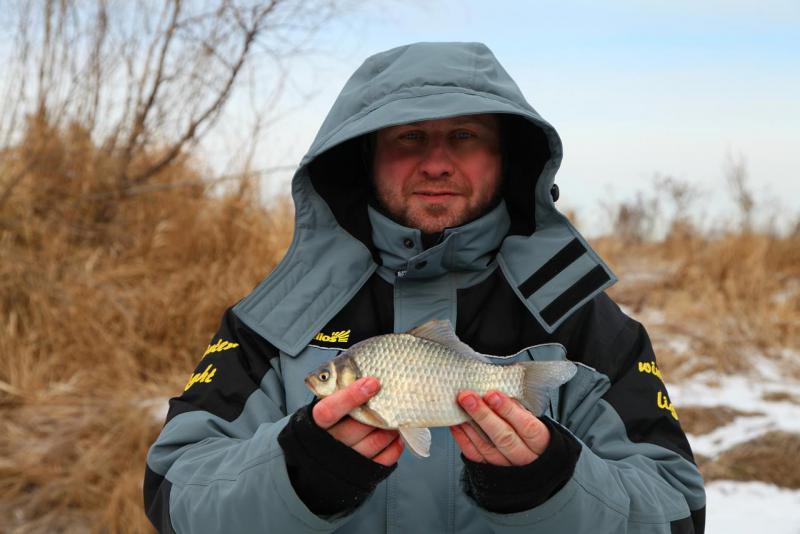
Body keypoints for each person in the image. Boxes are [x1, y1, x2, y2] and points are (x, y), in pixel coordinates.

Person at [144, 42, 706, 533]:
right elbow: (172, 495)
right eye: (410, 137)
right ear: (366, 156)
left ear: (505, 157)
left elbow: (678, 512)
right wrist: (294, 476)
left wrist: (553, 487)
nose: (437, 163)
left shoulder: (580, 317)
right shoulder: (276, 316)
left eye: (464, 136)